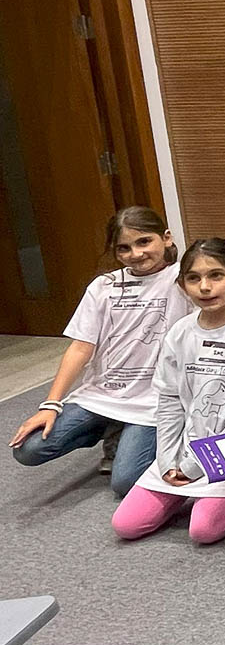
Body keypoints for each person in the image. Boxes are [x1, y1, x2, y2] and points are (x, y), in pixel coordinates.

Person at [11, 207, 193, 493]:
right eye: (124, 248)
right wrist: (50, 405)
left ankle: (134, 435)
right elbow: (80, 348)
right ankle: (111, 427)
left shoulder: (183, 280)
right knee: (29, 449)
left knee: (125, 481)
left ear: (166, 238)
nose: (136, 254)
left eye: (144, 241)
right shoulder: (104, 286)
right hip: (103, 395)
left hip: (152, 402)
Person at [111, 238, 225, 544]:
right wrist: (167, 461)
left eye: (216, 276)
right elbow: (170, 401)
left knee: (203, 531)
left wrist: (196, 464)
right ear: (182, 285)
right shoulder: (180, 332)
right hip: (184, 450)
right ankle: (182, 491)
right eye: (194, 278)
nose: (205, 287)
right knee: (125, 525)